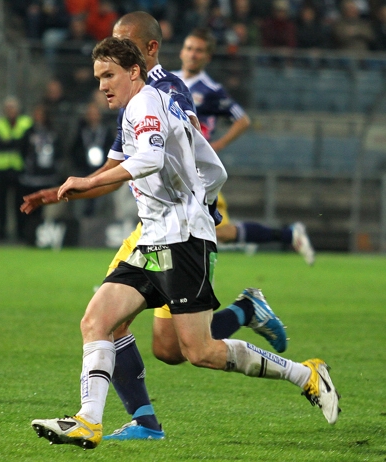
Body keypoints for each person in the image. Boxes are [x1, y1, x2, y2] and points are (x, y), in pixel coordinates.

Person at [30, 36, 340, 450]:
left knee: (201, 351)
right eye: (98, 77)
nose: (102, 85)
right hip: (156, 238)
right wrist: (199, 195)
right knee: (97, 321)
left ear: (134, 71)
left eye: (109, 75)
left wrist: (91, 180)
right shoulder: (139, 108)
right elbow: (213, 168)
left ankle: (306, 374)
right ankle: (88, 420)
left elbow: (151, 160)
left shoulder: (147, 102)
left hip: (181, 242)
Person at [174, 27, 315, 266]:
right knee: (174, 227)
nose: (193, 54)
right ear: (181, 51)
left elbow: (243, 120)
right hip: (175, 168)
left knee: (213, 232)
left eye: (199, 51)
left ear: (207, 57)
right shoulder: (168, 80)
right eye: (189, 48)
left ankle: (288, 235)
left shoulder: (211, 91)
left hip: (198, 174)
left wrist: (217, 144)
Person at [18, 104, 63, 245]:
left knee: (46, 210)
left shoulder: (53, 132)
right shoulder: (29, 132)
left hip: (48, 178)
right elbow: (22, 150)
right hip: (31, 178)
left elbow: (60, 151)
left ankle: (43, 236)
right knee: (30, 207)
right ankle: (27, 236)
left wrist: (55, 167)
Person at [0, 96, 34, 242]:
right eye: (8, 108)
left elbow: (25, 143)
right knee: (0, 203)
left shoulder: (26, 122)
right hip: (2, 168)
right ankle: (0, 233)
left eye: (13, 108)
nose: (10, 111)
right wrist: (15, 143)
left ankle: (21, 233)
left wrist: (9, 143)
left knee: (20, 203)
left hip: (18, 168)